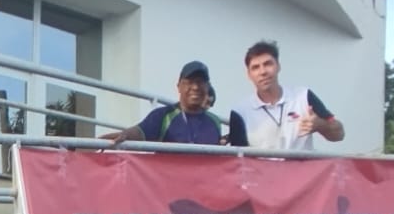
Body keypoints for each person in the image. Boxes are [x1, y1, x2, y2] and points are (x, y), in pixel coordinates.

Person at [226, 40, 344, 152]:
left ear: (278, 66)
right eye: (255, 67)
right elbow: (239, 160)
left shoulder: (304, 96)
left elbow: (339, 135)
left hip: (302, 173)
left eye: (268, 64)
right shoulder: (240, 112)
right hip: (263, 173)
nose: (263, 72)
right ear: (249, 74)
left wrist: (320, 125)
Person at [104, 61, 241, 147]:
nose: (195, 87)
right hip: (169, 191)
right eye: (189, 82)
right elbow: (139, 132)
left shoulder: (214, 121)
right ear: (179, 86)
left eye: (200, 82)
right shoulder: (163, 116)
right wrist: (124, 135)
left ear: (207, 87)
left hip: (203, 192)